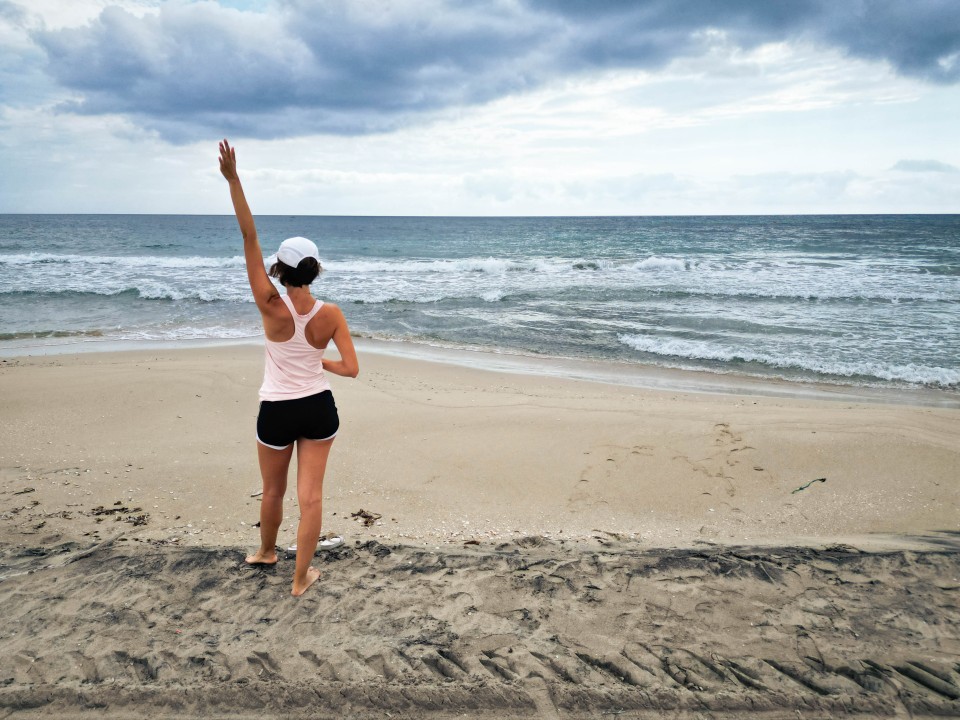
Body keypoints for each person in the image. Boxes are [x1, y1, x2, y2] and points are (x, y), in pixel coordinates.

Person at [218, 139, 359, 597]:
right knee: (312, 496)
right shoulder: (331, 314)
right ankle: (301, 579)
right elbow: (352, 369)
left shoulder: (270, 303)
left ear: (281, 267)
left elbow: (248, 237)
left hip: (276, 409)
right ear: (315, 272)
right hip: (318, 408)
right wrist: (321, 361)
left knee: (273, 490)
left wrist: (234, 181)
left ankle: (266, 552)